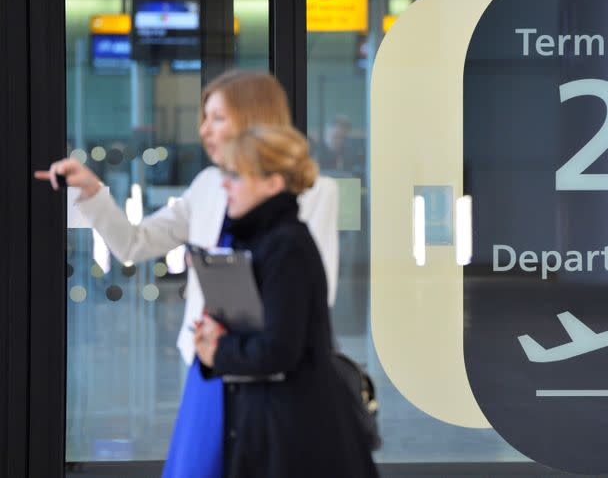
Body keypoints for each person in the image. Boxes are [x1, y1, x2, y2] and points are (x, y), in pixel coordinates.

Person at [34, 71, 339, 478]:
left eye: (217, 118)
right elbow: (135, 243)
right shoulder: (207, 186)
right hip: (208, 368)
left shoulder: (313, 191)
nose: (204, 130)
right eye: (204, 118)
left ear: (253, 118)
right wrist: (93, 194)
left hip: (270, 377)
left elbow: (315, 294)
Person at [194, 125, 377, 477]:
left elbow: (280, 349)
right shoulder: (262, 238)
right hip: (273, 419)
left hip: (293, 429)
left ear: (272, 183)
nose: (224, 185)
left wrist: (218, 352)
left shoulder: (285, 246)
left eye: (235, 175)